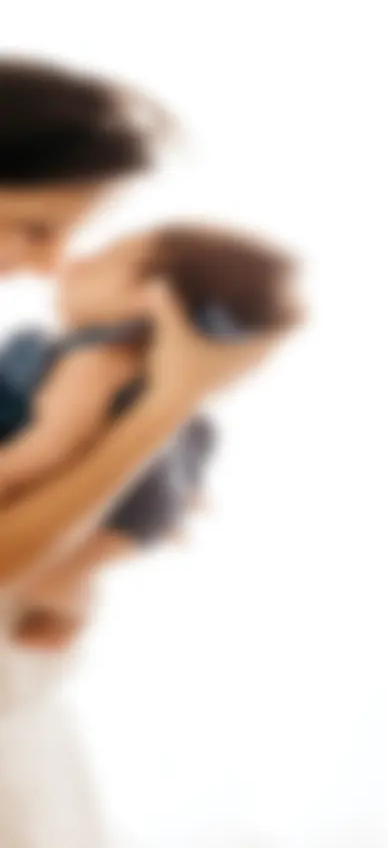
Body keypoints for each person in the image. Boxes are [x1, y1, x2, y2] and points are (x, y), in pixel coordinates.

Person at [0, 56, 289, 848]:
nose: (54, 261)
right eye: (34, 226)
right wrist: (168, 401)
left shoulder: (86, 363)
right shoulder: (75, 367)